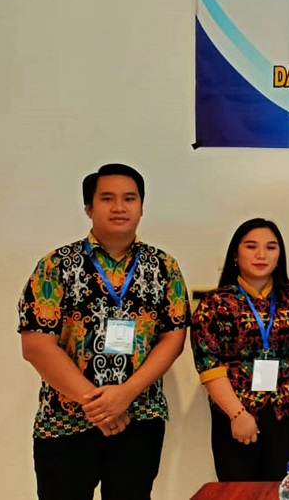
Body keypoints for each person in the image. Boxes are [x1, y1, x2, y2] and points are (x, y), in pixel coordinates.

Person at [18, 163, 189, 500]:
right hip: (66, 420)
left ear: (141, 207)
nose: (119, 207)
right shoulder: (55, 265)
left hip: (139, 415)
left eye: (130, 198)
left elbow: (173, 338)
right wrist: (96, 404)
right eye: (107, 198)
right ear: (89, 208)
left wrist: (124, 395)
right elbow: (36, 344)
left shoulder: (164, 266)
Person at [190, 218, 289, 482]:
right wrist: (237, 414)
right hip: (234, 413)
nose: (262, 255)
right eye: (251, 246)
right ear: (235, 255)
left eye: (271, 247)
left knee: (280, 489)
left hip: (286, 412)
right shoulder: (216, 302)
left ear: (280, 254)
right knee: (237, 492)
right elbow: (208, 364)